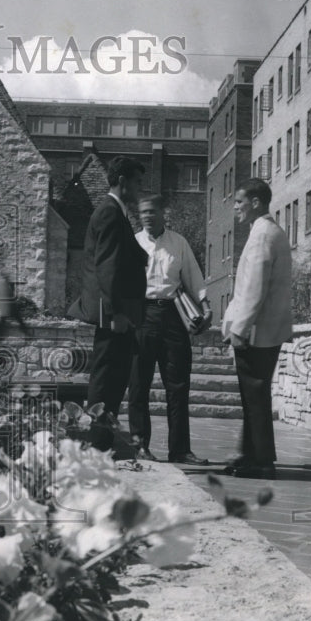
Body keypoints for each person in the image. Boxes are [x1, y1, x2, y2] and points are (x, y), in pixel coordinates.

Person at [68, 156, 147, 454]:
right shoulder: (110, 213)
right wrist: (117, 314)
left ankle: (103, 440)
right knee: (105, 379)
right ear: (123, 181)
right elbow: (107, 268)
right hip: (113, 313)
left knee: (114, 378)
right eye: (137, 182)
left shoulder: (117, 212)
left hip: (118, 312)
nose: (140, 189)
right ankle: (97, 443)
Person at [126, 195, 212, 464]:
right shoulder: (133, 243)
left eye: (152, 212)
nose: (147, 217)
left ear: (164, 213)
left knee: (178, 385)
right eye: (143, 213)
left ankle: (180, 450)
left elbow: (193, 276)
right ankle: (140, 445)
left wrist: (206, 307)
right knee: (139, 384)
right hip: (142, 315)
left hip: (173, 315)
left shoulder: (179, 243)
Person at [221, 178, 293, 480]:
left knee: (255, 395)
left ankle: (262, 461)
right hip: (263, 330)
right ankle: (251, 455)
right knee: (254, 395)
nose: (235, 208)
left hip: (257, 332)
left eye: (239, 202)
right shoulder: (266, 231)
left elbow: (254, 288)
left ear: (255, 203)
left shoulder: (263, 235)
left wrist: (240, 327)